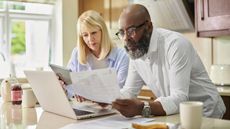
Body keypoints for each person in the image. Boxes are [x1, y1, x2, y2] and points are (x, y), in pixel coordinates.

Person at [112, 4, 226, 118]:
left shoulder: (175, 44)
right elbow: (129, 92)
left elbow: (179, 98)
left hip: (207, 112)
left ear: (148, 26)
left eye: (131, 30)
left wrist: (142, 107)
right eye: (122, 32)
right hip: (177, 114)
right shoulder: (136, 52)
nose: (126, 38)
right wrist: (108, 100)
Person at [65, 10, 129, 99]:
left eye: (94, 33)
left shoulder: (122, 56)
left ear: (103, 31)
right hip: (84, 109)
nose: (90, 39)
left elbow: (119, 91)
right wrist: (63, 86)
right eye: (85, 35)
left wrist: (86, 92)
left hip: (113, 110)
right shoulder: (77, 53)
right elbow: (69, 87)